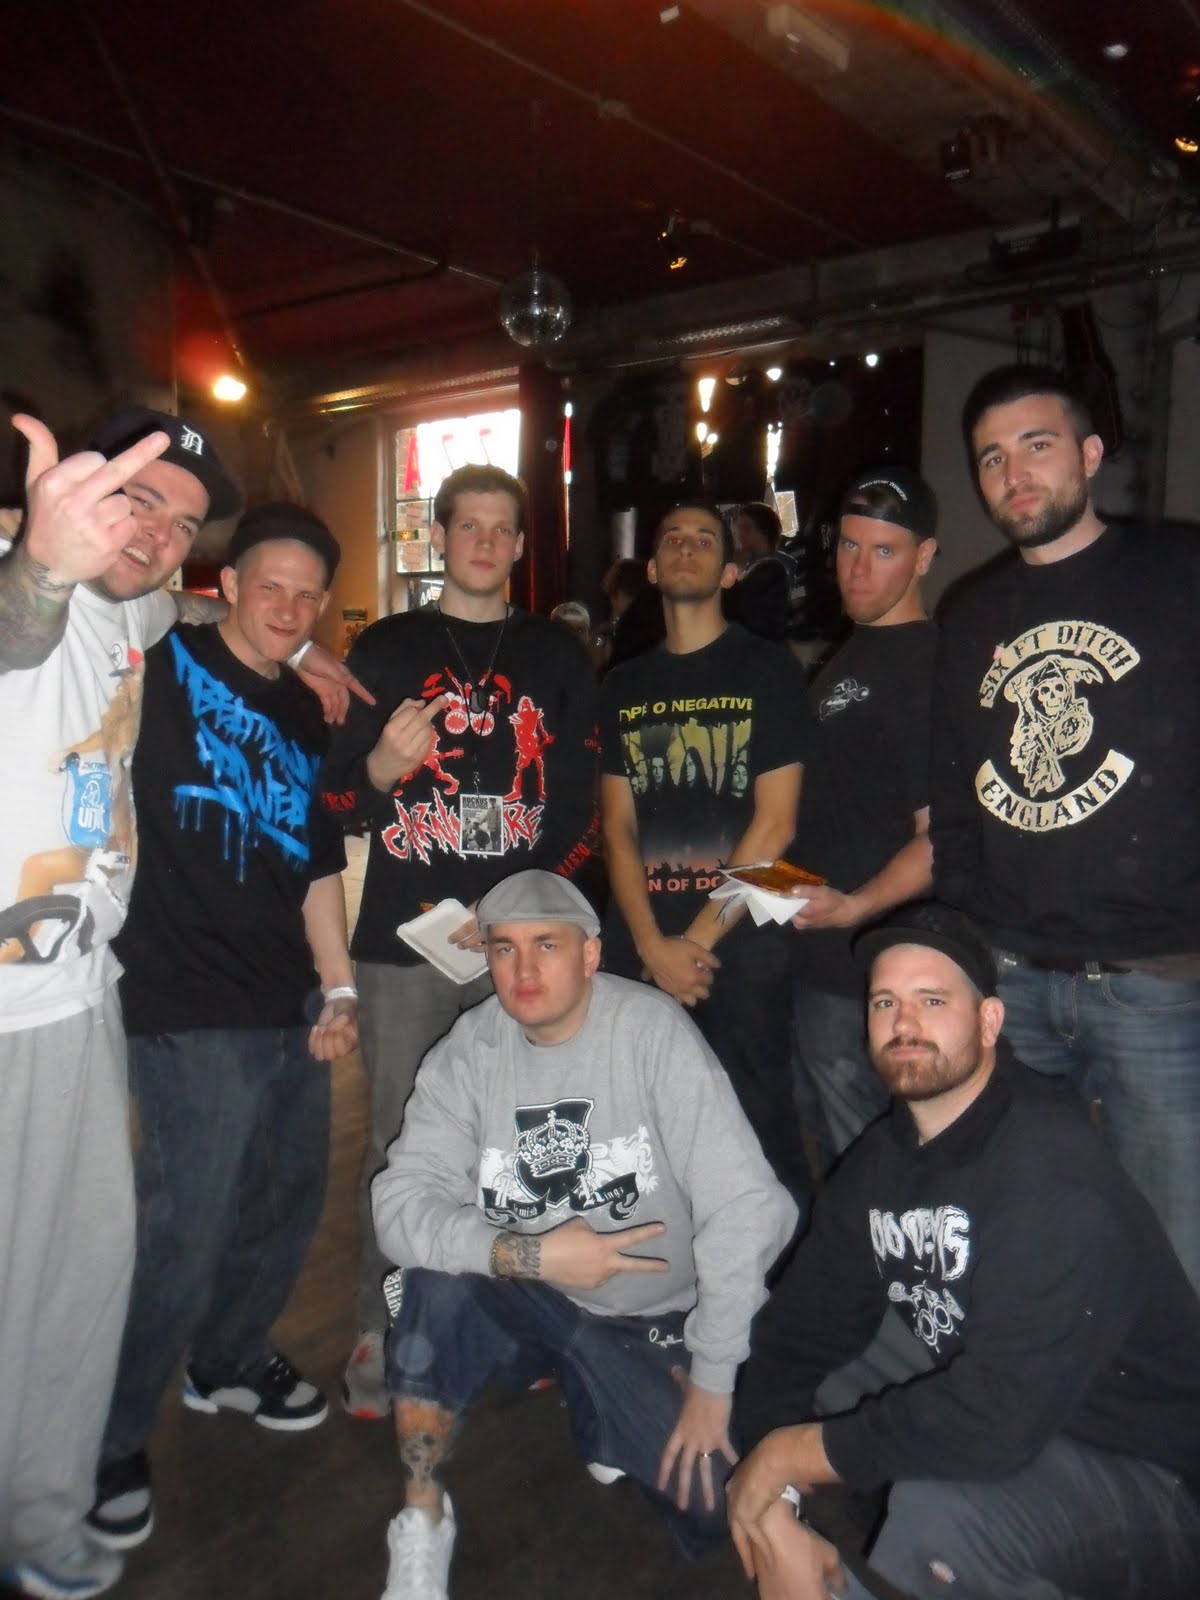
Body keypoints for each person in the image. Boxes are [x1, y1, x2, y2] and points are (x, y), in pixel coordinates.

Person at [730, 901, 1200, 1600]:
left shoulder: (1053, 1174)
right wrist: (777, 1505)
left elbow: (995, 1420)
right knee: (817, 1384)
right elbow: (797, 1331)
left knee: (938, 1520)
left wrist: (790, 1456)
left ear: (988, 1022)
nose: (904, 1022)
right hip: (1019, 1408)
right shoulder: (885, 1158)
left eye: (932, 1000)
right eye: (885, 1002)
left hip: (1149, 1471)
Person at [370, 869, 797, 1600]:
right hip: (528, 1294)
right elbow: (398, 1203)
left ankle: (600, 1406)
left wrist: (713, 1377)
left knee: (717, 1502)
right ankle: (422, 1515)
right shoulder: (471, 1050)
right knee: (429, 1281)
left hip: (651, 1318)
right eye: (504, 949)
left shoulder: (651, 1031)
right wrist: (534, 1255)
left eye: (547, 945)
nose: (523, 971)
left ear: (592, 954)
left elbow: (748, 1206)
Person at [84, 503, 359, 1554]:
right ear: (227, 583)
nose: (287, 609)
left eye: (307, 596)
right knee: (184, 1229)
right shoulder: (160, 660)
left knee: (289, 1198)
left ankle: (229, 1359)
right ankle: (108, 1437)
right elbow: (116, 595)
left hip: (287, 997)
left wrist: (338, 987)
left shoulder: (303, 711)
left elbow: (316, 859)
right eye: (267, 586)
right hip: (183, 998)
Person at [0, 408, 241, 1599]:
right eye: (139, 499)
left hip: (79, 990)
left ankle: (35, 1516)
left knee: (80, 1276)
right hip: (10, 1015)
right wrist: (39, 568)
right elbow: (19, 624)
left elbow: (171, 607)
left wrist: (293, 647)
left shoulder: (136, 610)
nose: (157, 535)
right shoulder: (31, 582)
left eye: (184, 523)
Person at [318, 465, 598, 1421]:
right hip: (403, 950)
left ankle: (521, 1320)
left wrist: (524, 907)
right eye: (466, 525)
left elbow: (579, 810)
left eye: (500, 528)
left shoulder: (554, 656)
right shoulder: (386, 649)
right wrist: (380, 766)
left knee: (526, 1136)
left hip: (523, 947)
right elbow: (335, 803)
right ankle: (381, 1323)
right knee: (399, 1143)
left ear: (519, 544)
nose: (483, 542)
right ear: (437, 537)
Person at [931, 362, 1200, 1291]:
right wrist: (970, 931)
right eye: (991, 458)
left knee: (1173, 1251)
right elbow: (956, 790)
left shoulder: (1178, 573)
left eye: (1036, 446)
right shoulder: (973, 612)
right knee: (1030, 1228)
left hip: (1157, 986)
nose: (1014, 474)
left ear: (1088, 454)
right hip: (1016, 980)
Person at [599, 500, 813, 1199]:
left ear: (729, 571)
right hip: (644, 944)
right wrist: (648, 944)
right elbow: (618, 828)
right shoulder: (623, 684)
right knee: (645, 1138)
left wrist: (692, 943)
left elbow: (777, 828)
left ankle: (783, 1268)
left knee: (759, 1133)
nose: (686, 548)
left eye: (704, 540)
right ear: (651, 568)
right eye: (672, 538)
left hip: (745, 940)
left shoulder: (768, 669)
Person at [788, 467, 938, 1167]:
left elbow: (939, 838)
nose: (859, 568)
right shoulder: (856, 652)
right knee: (837, 1163)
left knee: (878, 1168)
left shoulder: (925, 664)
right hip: (821, 957)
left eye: (883, 551)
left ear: (924, 557)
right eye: (850, 546)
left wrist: (854, 908)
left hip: (866, 969)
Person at [726, 500, 797, 642]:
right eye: (739, 528)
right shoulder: (743, 560)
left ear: (764, 530)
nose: (741, 534)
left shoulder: (780, 565)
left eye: (747, 528)